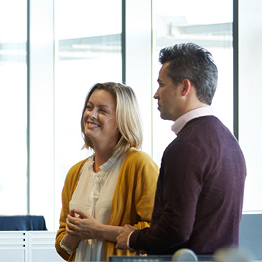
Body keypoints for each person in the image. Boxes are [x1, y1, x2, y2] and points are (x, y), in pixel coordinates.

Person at [116, 43, 246, 255]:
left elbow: (176, 230)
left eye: (161, 84)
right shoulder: (229, 142)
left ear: (184, 87)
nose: (156, 94)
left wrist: (133, 237)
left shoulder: (186, 147)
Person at [55, 82, 159, 261]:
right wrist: (73, 234)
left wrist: (98, 231)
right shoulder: (75, 172)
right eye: (89, 107)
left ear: (122, 120)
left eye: (102, 111)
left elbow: (157, 233)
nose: (91, 115)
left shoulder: (140, 164)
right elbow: (63, 249)